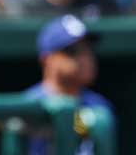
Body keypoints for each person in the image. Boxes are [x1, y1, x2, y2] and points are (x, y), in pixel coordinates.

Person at [25, 15, 114, 155]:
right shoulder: (28, 104)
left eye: (88, 50)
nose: (85, 58)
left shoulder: (99, 105)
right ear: (47, 60)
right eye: (73, 51)